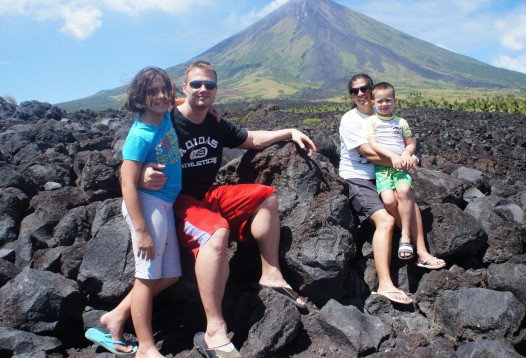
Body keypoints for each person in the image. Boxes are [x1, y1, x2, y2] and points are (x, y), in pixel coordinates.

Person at [102, 60, 316, 358]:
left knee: (265, 195)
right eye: (197, 85)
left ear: (216, 90)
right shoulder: (166, 119)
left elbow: (251, 139)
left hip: (208, 195)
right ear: (186, 88)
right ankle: (215, 329)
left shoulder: (214, 121)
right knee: (217, 232)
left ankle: (271, 273)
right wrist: (141, 176)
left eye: (210, 85)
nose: (203, 90)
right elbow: (126, 168)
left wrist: (289, 131)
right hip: (176, 203)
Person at [88, 67, 182, 357]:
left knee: (171, 275)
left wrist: (206, 107)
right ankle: (146, 347)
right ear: (140, 97)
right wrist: (141, 231)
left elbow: (177, 102)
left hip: (164, 205)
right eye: (153, 91)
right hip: (147, 206)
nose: (162, 96)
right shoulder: (141, 134)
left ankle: (115, 317)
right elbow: (127, 183)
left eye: (165, 89)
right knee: (146, 278)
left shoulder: (164, 114)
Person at [338, 74, 445, 305]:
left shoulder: (383, 117)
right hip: (358, 179)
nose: (360, 94)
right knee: (385, 221)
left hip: (382, 175)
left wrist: (407, 157)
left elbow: (403, 143)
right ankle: (385, 284)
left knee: (407, 200)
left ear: (373, 91)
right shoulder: (351, 120)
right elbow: (367, 153)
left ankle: (422, 253)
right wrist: (406, 162)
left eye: (364, 88)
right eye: (354, 91)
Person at [363, 82, 418, 260]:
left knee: (403, 190)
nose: (384, 104)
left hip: (401, 167)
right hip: (383, 168)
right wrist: (392, 157)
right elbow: (373, 144)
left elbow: (410, 143)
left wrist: (406, 155)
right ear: (373, 103)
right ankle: (405, 229)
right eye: (380, 101)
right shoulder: (371, 122)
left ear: (395, 101)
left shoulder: (401, 122)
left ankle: (405, 237)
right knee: (388, 201)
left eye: (388, 100)